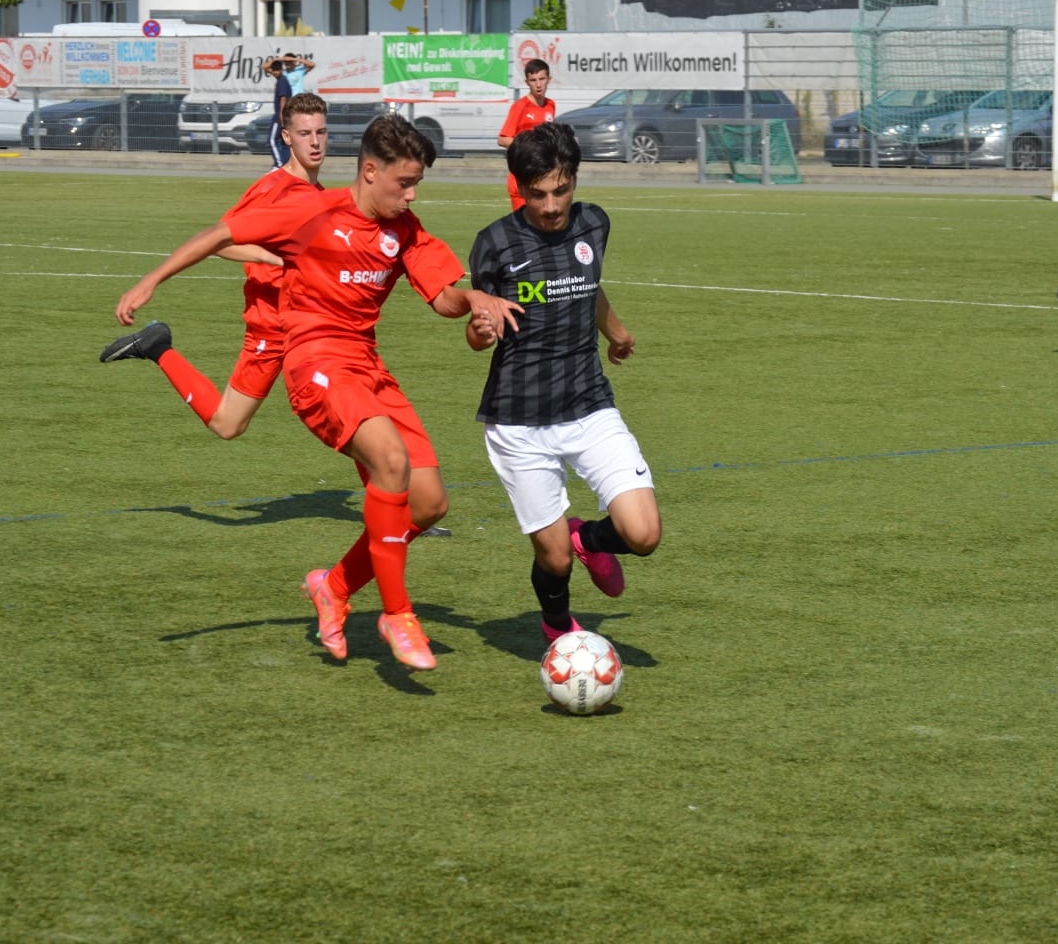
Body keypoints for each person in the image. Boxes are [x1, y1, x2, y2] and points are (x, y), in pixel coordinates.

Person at [110, 114, 522, 670]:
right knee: (390, 460)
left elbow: (443, 298)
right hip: (315, 362)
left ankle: (333, 586)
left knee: (428, 504)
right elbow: (222, 234)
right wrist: (150, 281)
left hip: (367, 365)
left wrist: (473, 300)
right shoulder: (310, 210)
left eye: (417, 183)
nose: (412, 194)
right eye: (404, 182)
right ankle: (397, 613)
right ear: (370, 171)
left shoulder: (405, 229)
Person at [465, 122, 661, 646]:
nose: (551, 206)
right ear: (519, 187)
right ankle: (558, 626)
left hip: (589, 404)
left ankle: (587, 538)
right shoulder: (494, 243)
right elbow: (477, 332)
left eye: (561, 190)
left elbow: (586, 288)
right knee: (552, 560)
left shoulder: (594, 223)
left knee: (644, 533)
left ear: (574, 178)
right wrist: (481, 330)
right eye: (537, 194)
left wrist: (615, 332)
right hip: (519, 420)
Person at [98, 92, 330, 440]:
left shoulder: (320, 193)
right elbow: (219, 241)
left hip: (306, 323)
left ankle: (388, 468)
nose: (314, 142)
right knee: (228, 423)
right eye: (304, 133)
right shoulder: (274, 191)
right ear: (286, 137)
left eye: (320, 132)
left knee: (337, 406)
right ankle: (157, 347)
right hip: (271, 324)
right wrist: (270, 257)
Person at [496, 59, 556, 211]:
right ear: (527, 82)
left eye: (542, 79)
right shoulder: (520, 107)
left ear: (549, 79)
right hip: (521, 178)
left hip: (542, 178)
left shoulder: (550, 105)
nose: (538, 84)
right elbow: (502, 139)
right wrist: (529, 147)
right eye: (533, 80)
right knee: (523, 224)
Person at [265, 58, 292, 167]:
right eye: (273, 71)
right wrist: (277, 59)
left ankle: (279, 164)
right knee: (284, 142)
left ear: (281, 70)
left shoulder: (282, 81)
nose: (274, 73)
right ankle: (287, 164)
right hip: (285, 116)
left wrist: (281, 116)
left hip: (279, 116)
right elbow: (265, 68)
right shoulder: (281, 79)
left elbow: (283, 99)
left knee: (271, 140)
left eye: (277, 70)